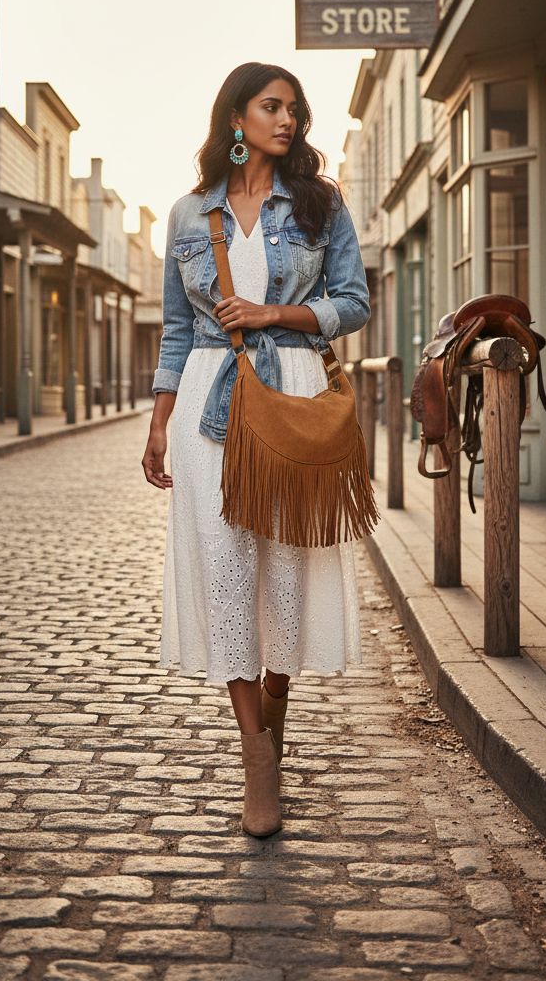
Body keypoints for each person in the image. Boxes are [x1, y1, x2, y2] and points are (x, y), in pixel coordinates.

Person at [142, 61, 371, 837]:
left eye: (295, 109)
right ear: (235, 120)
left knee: (284, 573)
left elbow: (353, 304)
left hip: (294, 392)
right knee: (227, 571)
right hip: (209, 401)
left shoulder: (319, 205)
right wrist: (155, 419)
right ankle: (257, 762)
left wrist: (277, 312)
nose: (288, 119)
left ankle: (274, 723)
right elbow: (177, 329)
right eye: (272, 107)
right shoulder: (186, 214)